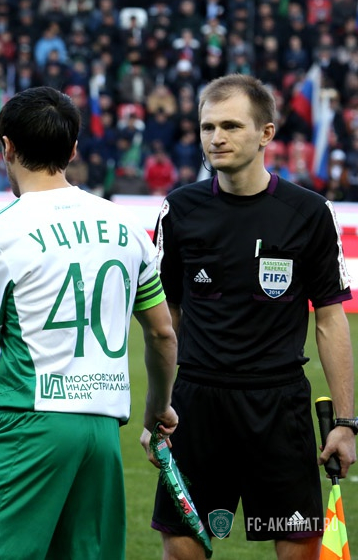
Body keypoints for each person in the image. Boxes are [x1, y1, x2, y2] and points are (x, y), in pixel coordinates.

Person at [0, 86, 179, 559]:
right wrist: (157, 412)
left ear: (6, 147)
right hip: (103, 433)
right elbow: (162, 332)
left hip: (27, 423)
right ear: (73, 150)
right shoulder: (127, 226)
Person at [145, 74, 356, 559]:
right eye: (208, 127)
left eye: (231, 126)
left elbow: (330, 320)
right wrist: (159, 407)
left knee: (299, 550)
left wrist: (345, 422)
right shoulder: (179, 210)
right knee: (181, 549)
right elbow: (166, 319)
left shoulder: (309, 212)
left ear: (266, 133)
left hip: (278, 404)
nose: (216, 137)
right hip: (196, 405)